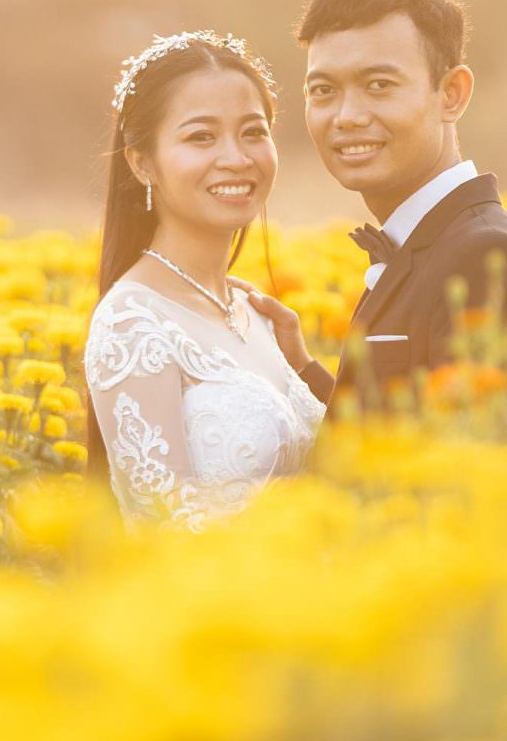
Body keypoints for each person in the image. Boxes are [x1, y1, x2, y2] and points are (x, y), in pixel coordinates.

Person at [243, 0, 507, 413]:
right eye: (323, 90)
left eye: (378, 85)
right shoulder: (424, 241)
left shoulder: (485, 257)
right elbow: (394, 434)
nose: (347, 116)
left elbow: (473, 464)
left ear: (451, 94)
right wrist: (300, 366)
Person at [83, 31, 326, 531]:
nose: (236, 158)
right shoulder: (133, 323)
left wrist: (303, 365)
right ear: (142, 162)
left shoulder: (253, 313)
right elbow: (163, 532)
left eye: (253, 132)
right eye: (201, 137)